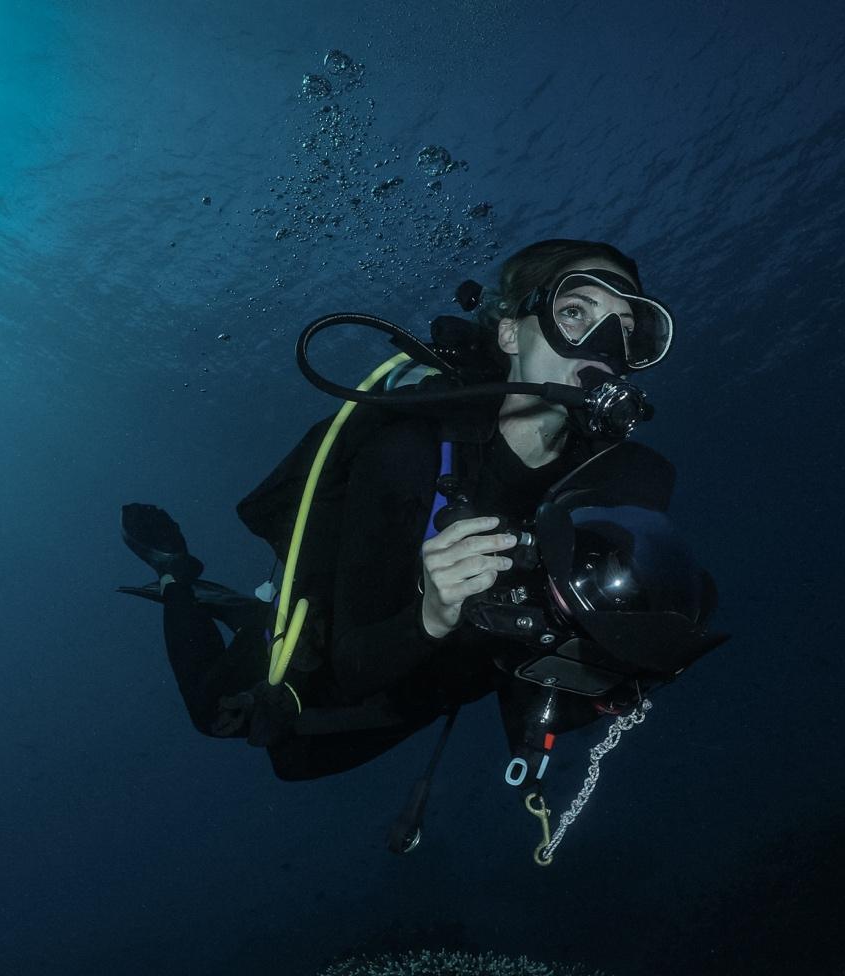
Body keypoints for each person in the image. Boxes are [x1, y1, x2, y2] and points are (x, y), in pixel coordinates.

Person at [120, 239, 720, 788]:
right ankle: (178, 574)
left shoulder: (609, 482)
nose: (606, 348)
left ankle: (228, 602)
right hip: (325, 652)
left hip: (422, 695)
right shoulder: (408, 453)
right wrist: (432, 613)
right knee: (217, 716)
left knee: (306, 766)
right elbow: (351, 665)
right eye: (575, 313)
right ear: (510, 333)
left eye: (626, 330)